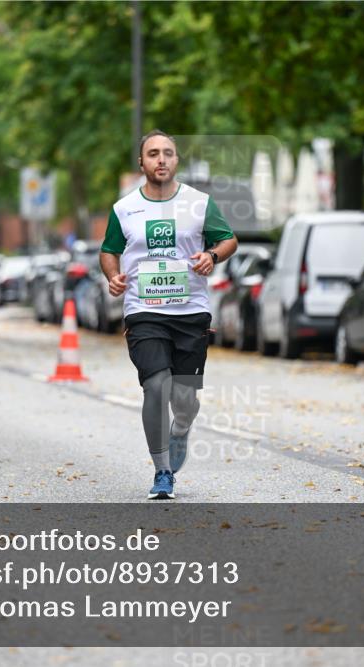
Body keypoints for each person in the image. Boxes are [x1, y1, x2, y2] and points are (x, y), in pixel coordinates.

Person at [100, 130, 238, 499]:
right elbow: (109, 249)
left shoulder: (199, 203)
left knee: (184, 398)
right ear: (141, 163)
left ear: (177, 160)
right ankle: (163, 471)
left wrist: (212, 256)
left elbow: (228, 240)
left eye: (168, 153)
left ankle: (180, 430)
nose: (161, 160)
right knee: (156, 384)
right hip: (144, 309)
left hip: (191, 311)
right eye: (153, 154)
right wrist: (113, 276)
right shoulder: (124, 208)